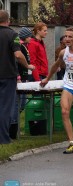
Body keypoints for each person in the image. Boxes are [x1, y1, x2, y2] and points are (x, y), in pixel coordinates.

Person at [0, 10, 35, 144]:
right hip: (7, 75)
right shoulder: (12, 34)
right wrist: (27, 66)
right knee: (5, 107)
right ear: (8, 21)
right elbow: (18, 55)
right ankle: (3, 138)